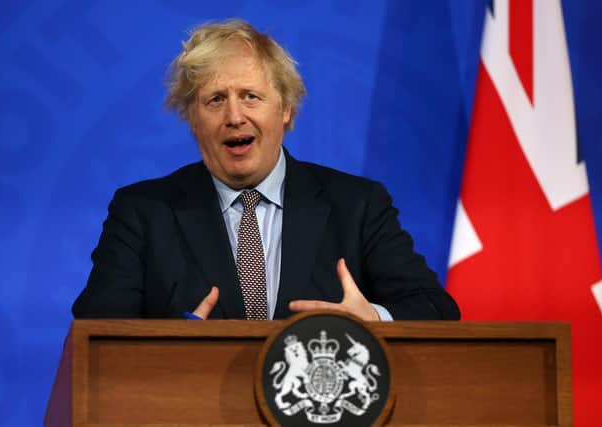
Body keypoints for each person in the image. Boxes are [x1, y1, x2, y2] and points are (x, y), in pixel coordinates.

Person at [72, 19, 460, 322]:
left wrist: (372, 318)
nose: (234, 116)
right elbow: (97, 333)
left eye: (250, 97)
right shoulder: (142, 212)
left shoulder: (357, 206)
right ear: (192, 119)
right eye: (215, 100)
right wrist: (170, 345)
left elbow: (437, 311)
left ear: (286, 108)